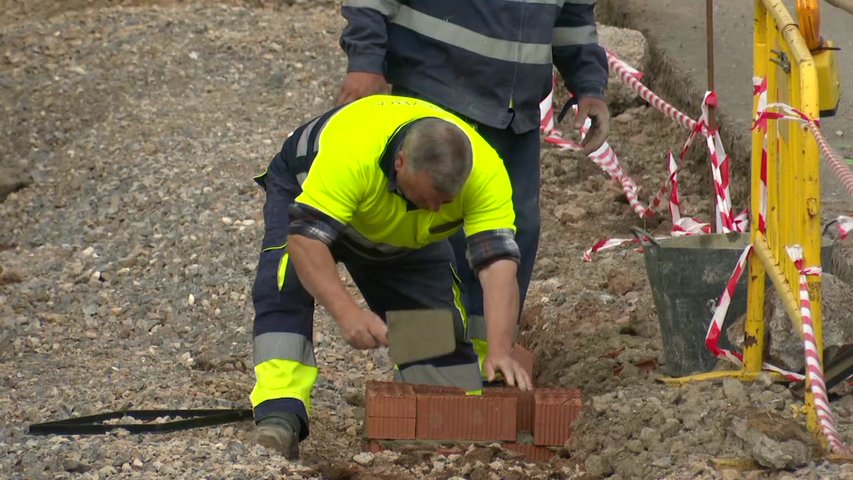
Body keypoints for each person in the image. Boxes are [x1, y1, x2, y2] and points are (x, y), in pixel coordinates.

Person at [249, 95, 533, 459]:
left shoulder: (485, 174)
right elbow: (306, 241)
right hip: (310, 193)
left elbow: (498, 266)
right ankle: (280, 416)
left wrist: (499, 348)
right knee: (284, 283)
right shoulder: (352, 153)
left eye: (447, 203)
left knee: (435, 332)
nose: (434, 211)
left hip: (400, 232)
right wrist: (347, 313)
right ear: (400, 162)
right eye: (428, 197)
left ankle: (439, 426)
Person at [337, 0, 610, 370]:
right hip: (435, 89)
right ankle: (426, 366)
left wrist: (588, 85)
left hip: (514, 117)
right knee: (428, 236)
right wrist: (365, 62)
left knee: (514, 232)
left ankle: (488, 360)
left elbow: (573, 18)